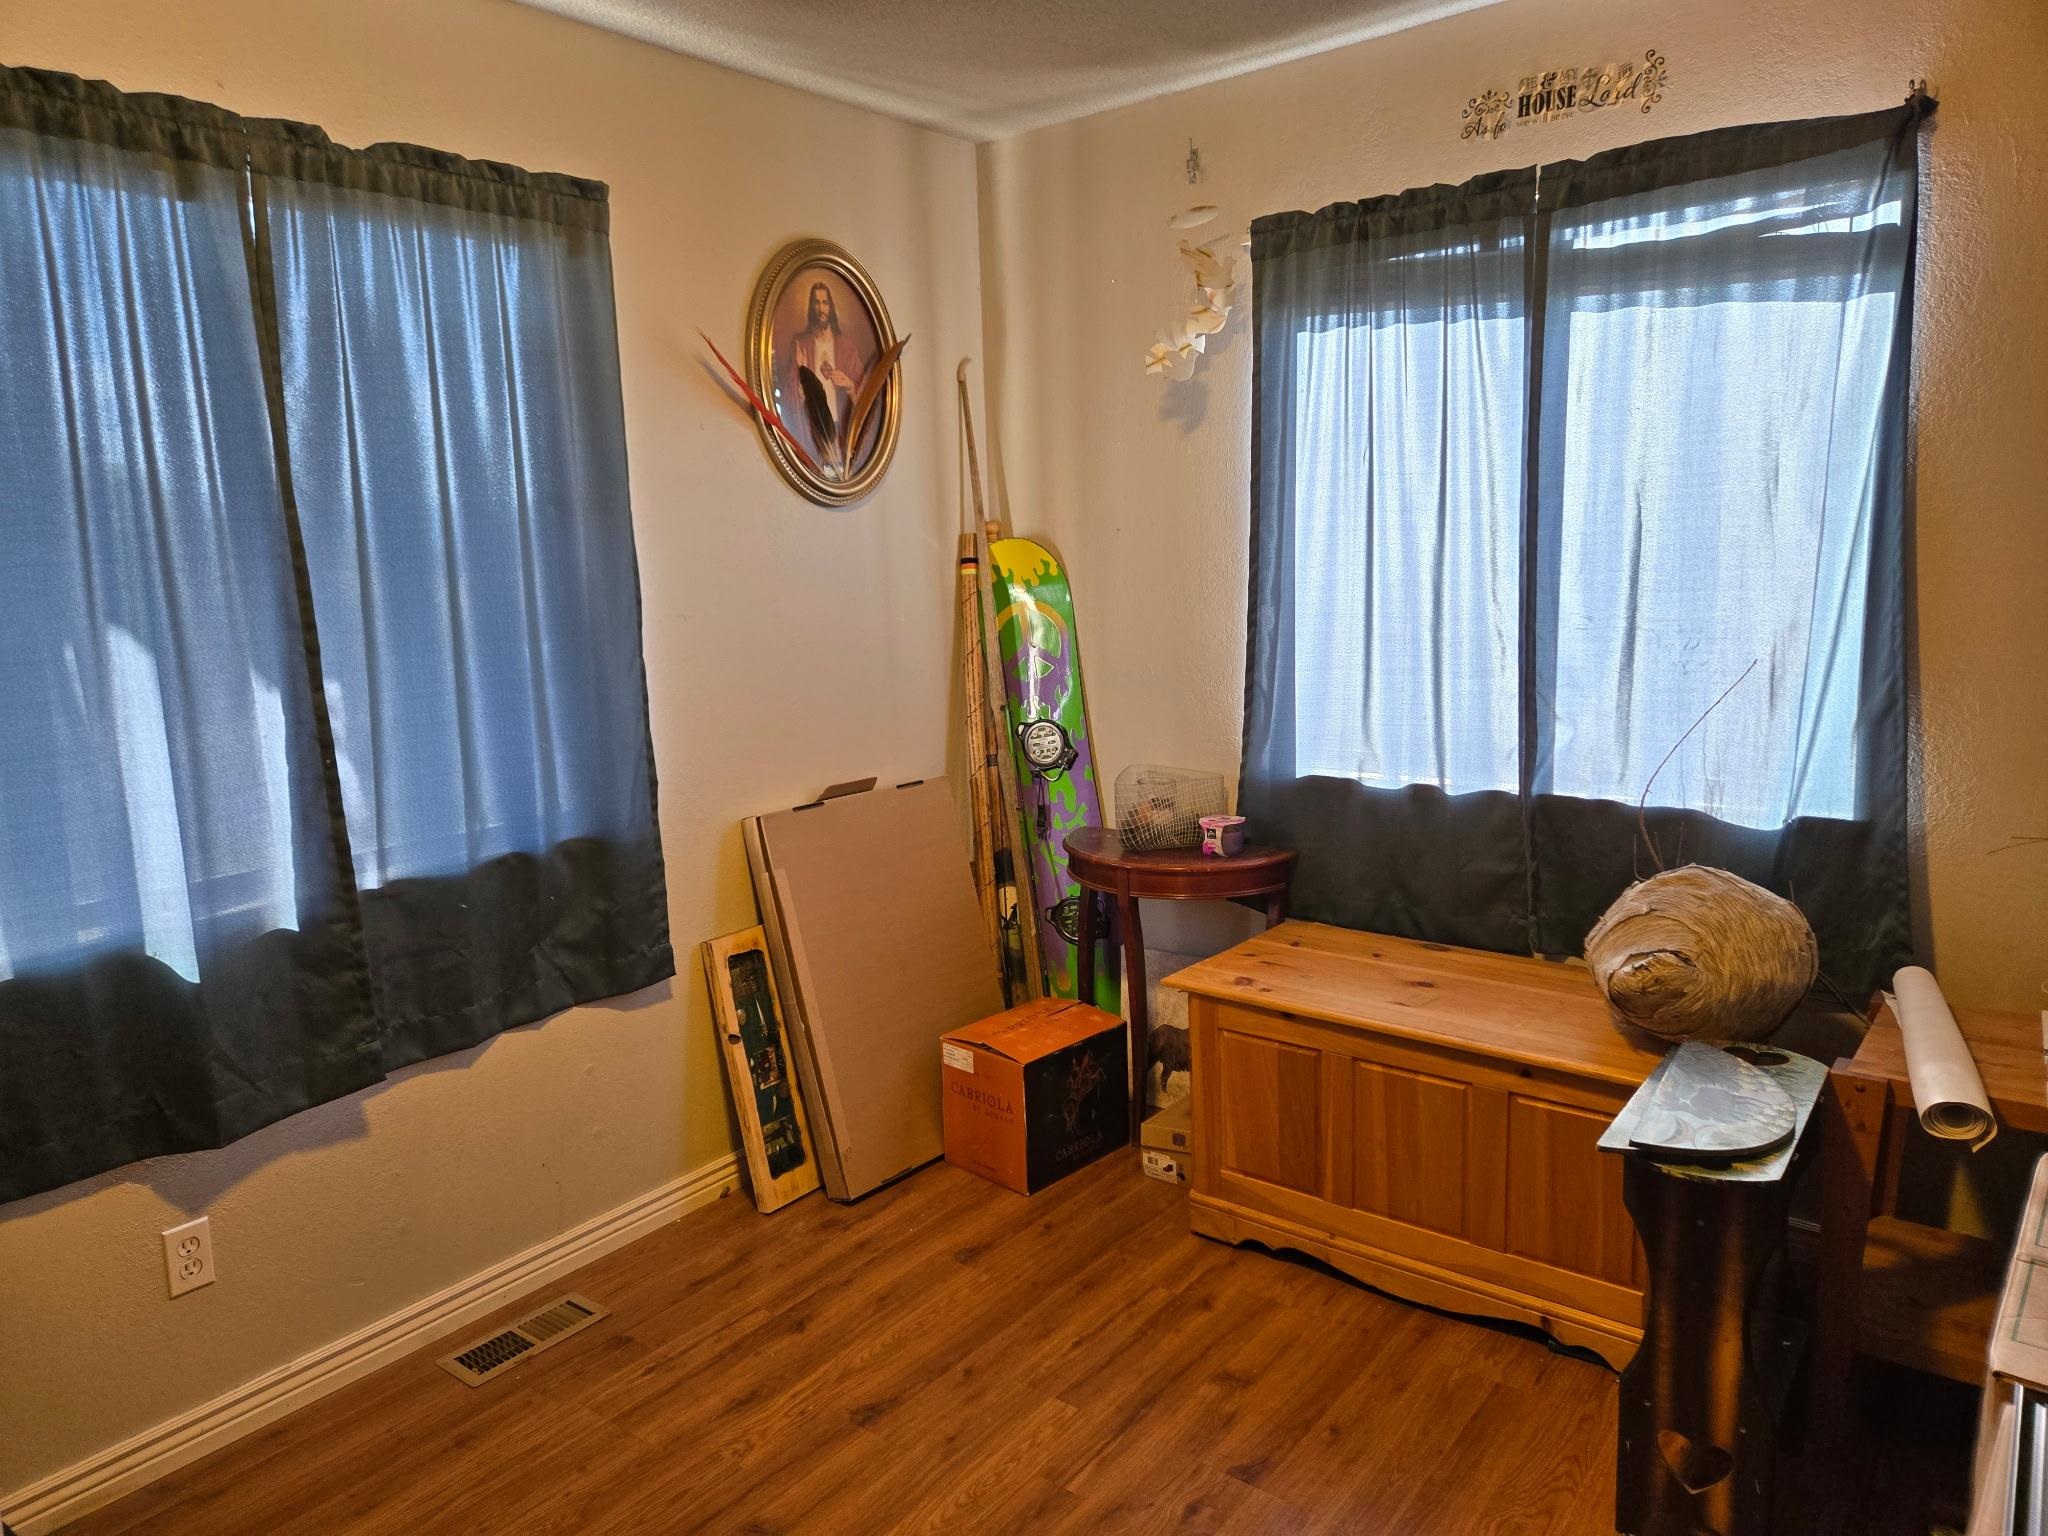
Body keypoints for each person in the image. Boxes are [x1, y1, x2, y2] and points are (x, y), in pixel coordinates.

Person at [786, 280, 864, 457]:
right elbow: (790, 398)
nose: (821, 309)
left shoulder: (846, 345)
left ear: (831, 307)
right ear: (812, 307)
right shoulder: (802, 344)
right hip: (815, 429)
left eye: (825, 303)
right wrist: (801, 372)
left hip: (841, 427)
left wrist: (850, 384)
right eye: (817, 302)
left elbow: (865, 395)